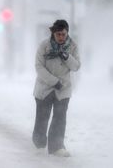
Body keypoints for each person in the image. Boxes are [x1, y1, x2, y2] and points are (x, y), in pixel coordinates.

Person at [32, 19, 81, 157]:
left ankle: (57, 146)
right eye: (58, 34)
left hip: (63, 89)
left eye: (63, 34)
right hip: (44, 88)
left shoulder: (73, 47)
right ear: (53, 33)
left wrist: (67, 57)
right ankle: (39, 144)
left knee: (60, 117)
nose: (61, 37)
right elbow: (38, 67)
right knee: (42, 117)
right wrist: (54, 81)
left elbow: (76, 66)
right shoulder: (44, 46)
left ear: (67, 33)